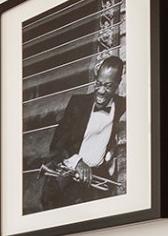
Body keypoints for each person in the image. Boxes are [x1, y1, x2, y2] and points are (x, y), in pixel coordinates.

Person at [38, 55, 126, 210]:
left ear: (118, 84)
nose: (101, 91)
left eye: (108, 86)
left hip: (96, 181)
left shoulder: (122, 105)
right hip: (67, 179)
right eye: (98, 84)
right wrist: (78, 162)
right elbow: (57, 143)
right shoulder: (77, 104)